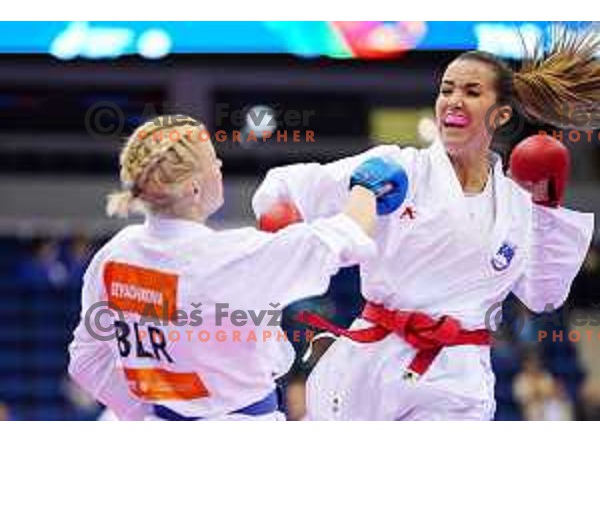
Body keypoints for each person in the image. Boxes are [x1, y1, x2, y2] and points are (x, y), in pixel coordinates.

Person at [252, 30, 598, 420]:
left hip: (456, 375)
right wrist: (281, 218)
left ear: (500, 114)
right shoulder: (401, 167)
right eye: (446, 90)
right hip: (371, 362)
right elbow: (286, 188)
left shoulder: (518, 205)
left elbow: (543, 295)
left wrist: (547, 210)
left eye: (471, 91)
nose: (453, 100)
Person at [68, 116, 403, 421]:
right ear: (194, 188)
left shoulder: (114, 256)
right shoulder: (230, 257)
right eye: (213, 159)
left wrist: (139, 413)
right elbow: (345, 237)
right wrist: (368, 186)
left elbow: (85, 360)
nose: (220, 164)